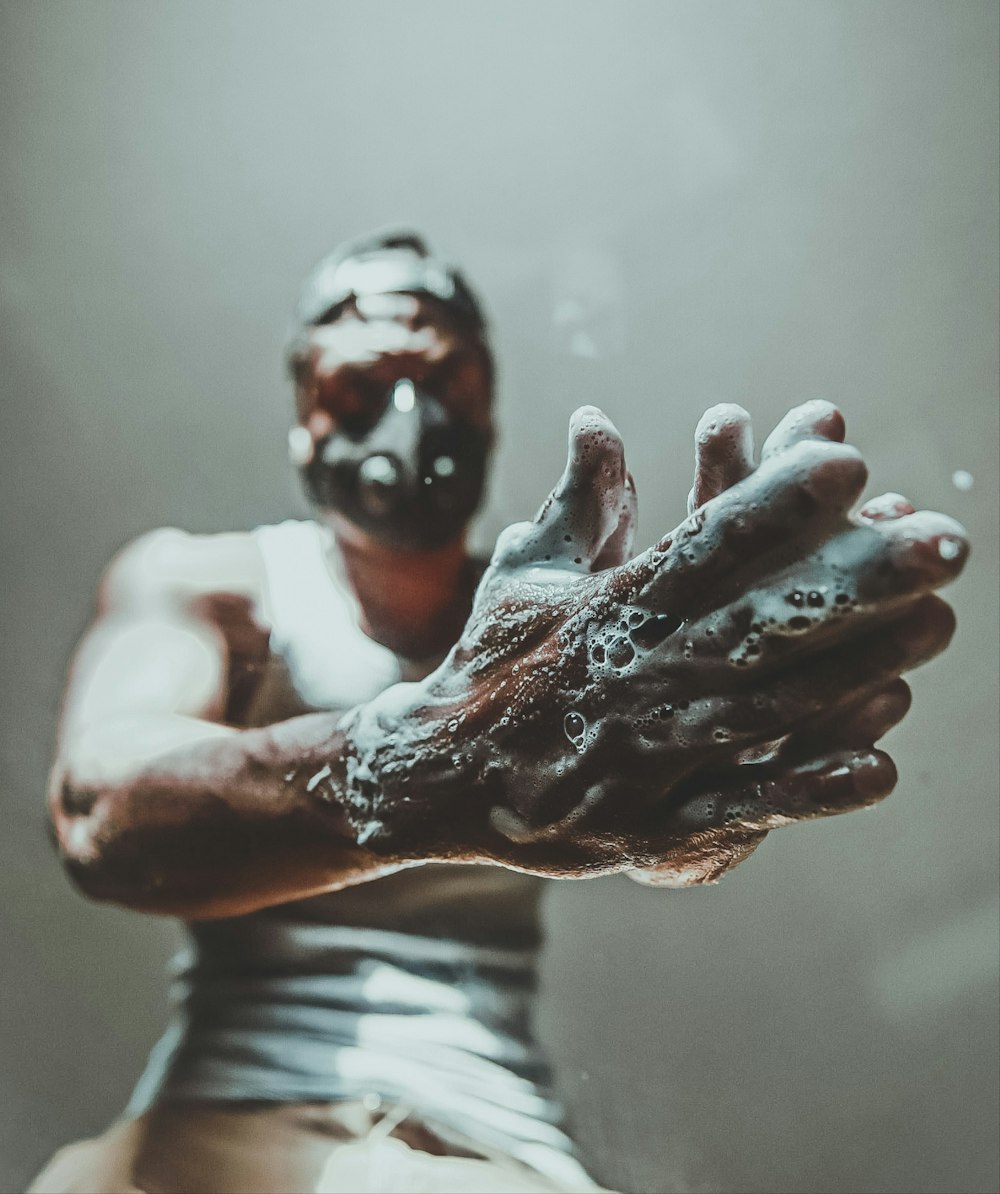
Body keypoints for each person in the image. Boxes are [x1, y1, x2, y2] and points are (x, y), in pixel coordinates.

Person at [30, 231, 968, 1194]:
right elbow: (102, 808)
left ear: (488, 410)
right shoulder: (213, 584)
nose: (409, 413)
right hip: (225, 1121)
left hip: (497, 1146)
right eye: (362, 383)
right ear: (304, 412)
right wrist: (423, 763)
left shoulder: (555, 632)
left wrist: (713, 779)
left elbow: (660, 845)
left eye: (447, 380)